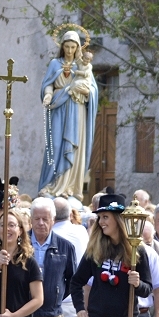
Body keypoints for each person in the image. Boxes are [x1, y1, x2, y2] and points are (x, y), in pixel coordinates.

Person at [38, 29, 98, 201]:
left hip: (77, 110)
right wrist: (48, 94)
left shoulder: (83, 65)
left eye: (73, 47)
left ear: (78, 47)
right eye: (67, 47)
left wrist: (87, 91)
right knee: (56, 146)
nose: (70, 51)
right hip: (59, 109)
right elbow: (47, 84)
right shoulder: (55, 64)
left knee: (75, 147)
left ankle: (71, 188)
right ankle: (51, 185)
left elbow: (92, 89)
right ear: (62, 47)